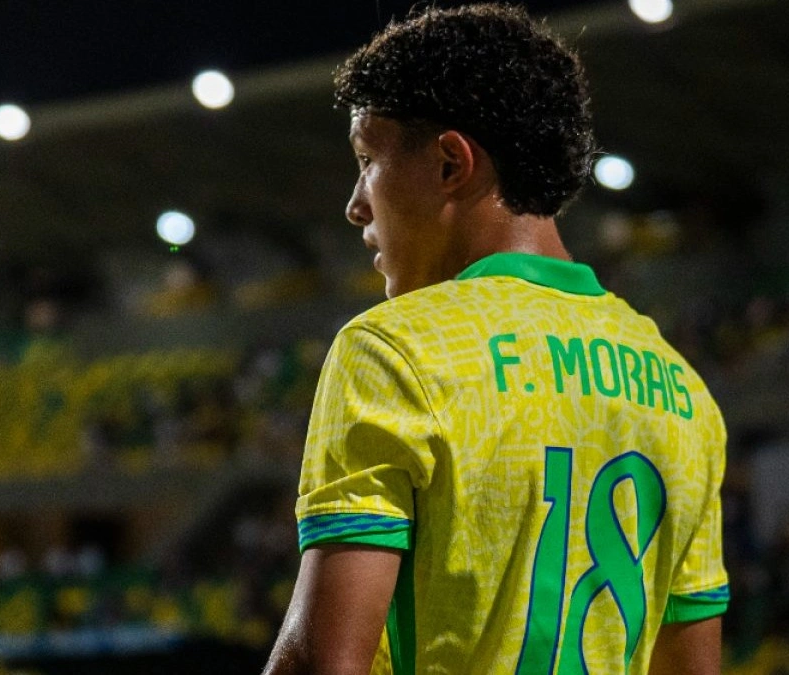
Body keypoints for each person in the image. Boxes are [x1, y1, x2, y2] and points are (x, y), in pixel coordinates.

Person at [263, 5, 727, 674]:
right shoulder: (683, 390)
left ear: (450, 162)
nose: (355, 204)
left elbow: (321, 663)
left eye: (367, 160)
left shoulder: (393, 351)